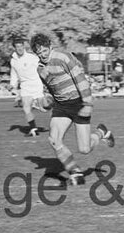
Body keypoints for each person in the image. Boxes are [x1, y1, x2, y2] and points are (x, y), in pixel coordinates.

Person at [31, 33, 116, 186]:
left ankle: (101, 132)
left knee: (84, 149)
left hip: (78, 103)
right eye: (39, 53)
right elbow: (50, 90)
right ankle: (75, 172)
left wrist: (88, 104)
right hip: (61, 106)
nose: (42, 55)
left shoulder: (63, 57)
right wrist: (44, 103)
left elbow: (80, 79)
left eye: (44, 51)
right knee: (54, 140)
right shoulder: (40, 69)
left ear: (50, 46)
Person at [9, 36, 45, 135]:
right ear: (15, 48)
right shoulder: (13, 60)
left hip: (36, 84)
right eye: (17, 47)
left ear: (24, 47)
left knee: (44, 108)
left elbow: (42, 65)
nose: (20, 49)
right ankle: (34, 129)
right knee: (26, 108)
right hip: (25, 86)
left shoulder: (32, 57)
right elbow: (14, 74)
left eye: (21, 46)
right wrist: (12, 85)